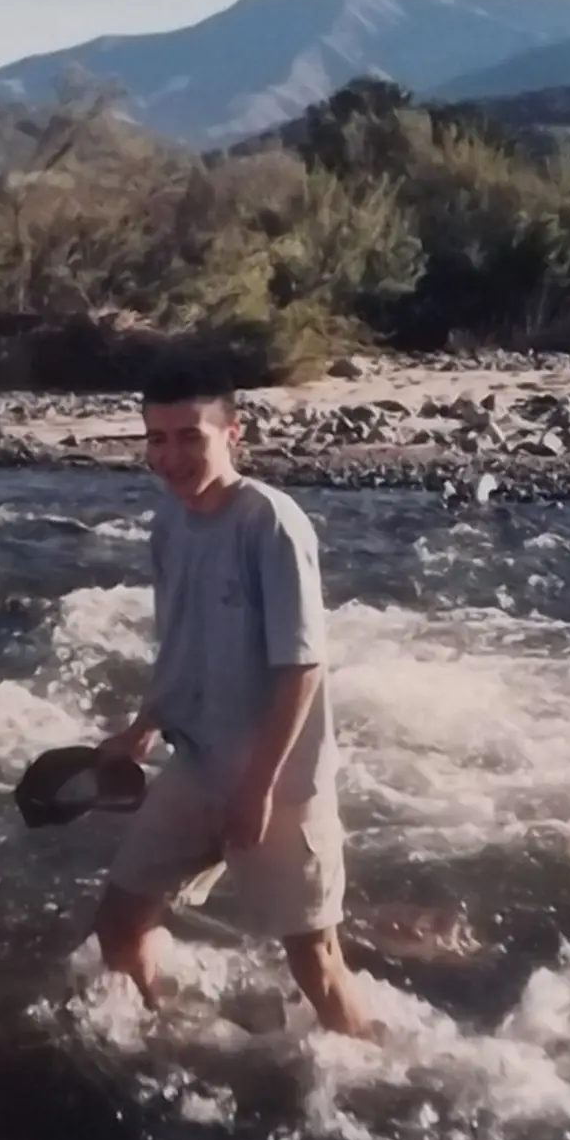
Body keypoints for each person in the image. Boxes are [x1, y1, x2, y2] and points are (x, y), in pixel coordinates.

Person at [92, 356, 370, 1038]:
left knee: (314, 959)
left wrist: (257, 787)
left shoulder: (270, 524)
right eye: (157, 438)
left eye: (190, 436)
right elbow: (182, 643)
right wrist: (143, 727)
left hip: (279, 782)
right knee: (120, 921)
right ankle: (162, 1041)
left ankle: (386, 1071)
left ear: (232, 432)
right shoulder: (169, 525)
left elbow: (301, 666)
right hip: (198, 765)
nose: (171, 456)